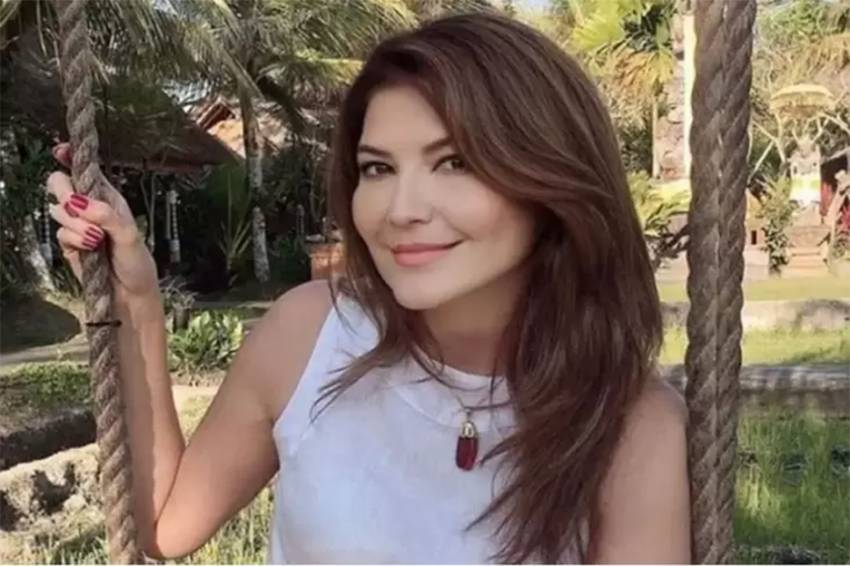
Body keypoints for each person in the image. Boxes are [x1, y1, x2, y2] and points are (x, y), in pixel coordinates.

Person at [47, 11, 690, 564]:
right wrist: (137, 303)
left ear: (550, 176)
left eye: (454, 162)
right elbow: (164, 524)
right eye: (378, 169)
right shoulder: (309, 336)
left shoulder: (629, 425)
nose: (401, 210)